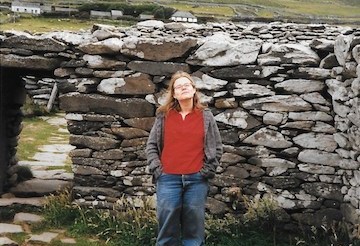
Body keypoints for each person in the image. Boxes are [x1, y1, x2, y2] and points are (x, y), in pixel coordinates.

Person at [146, 71, 223, 246]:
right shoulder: (163, 115)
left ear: (194, 89)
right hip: (168, 179)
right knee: (167, 227)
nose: (183, 88)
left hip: (197, 179)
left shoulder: (206, 116)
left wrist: (207, 171)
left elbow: (216, 147)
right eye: (178, 86)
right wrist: (158, 169)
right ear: (173, 93)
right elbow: (151, 146)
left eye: (186, 85)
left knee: (194, 229)